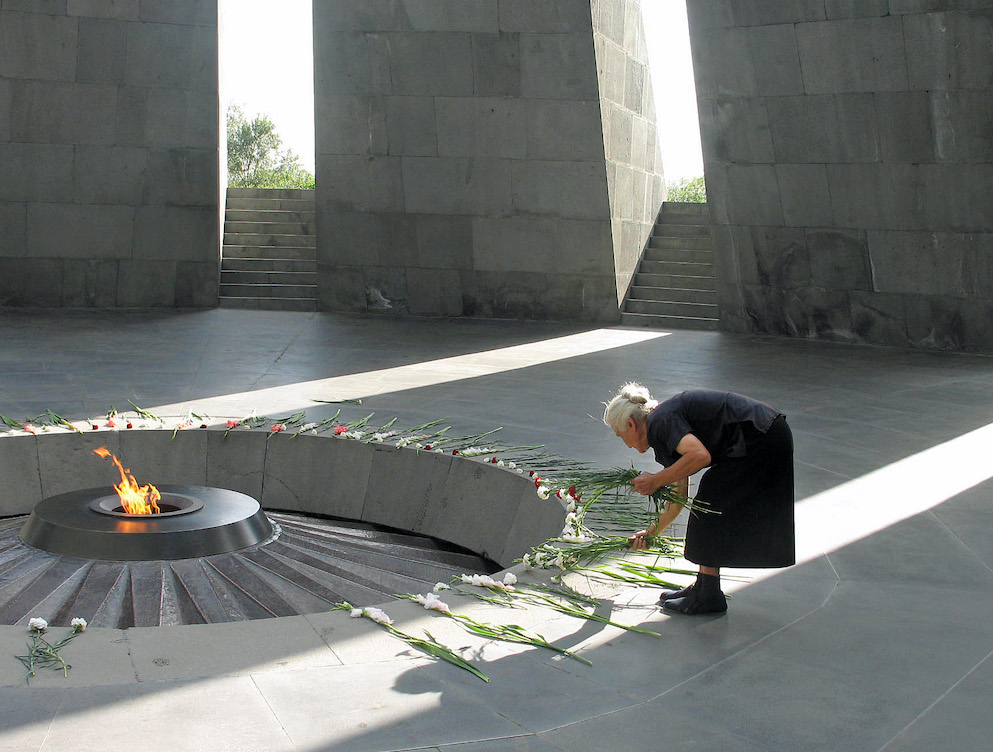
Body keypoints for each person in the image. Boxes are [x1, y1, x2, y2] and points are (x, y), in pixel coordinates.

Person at [603, 383, 795, 615]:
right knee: (708, 500)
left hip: (762, 436)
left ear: (631, 424)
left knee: (709, 501)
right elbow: (678, 498)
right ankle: (705, 587)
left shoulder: (661, 421)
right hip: (763, 435)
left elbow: (700, 456)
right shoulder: (661, 432)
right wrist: (651, 532)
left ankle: (708, 594)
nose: (626, 443)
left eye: (620, 434)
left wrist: (656, 481)